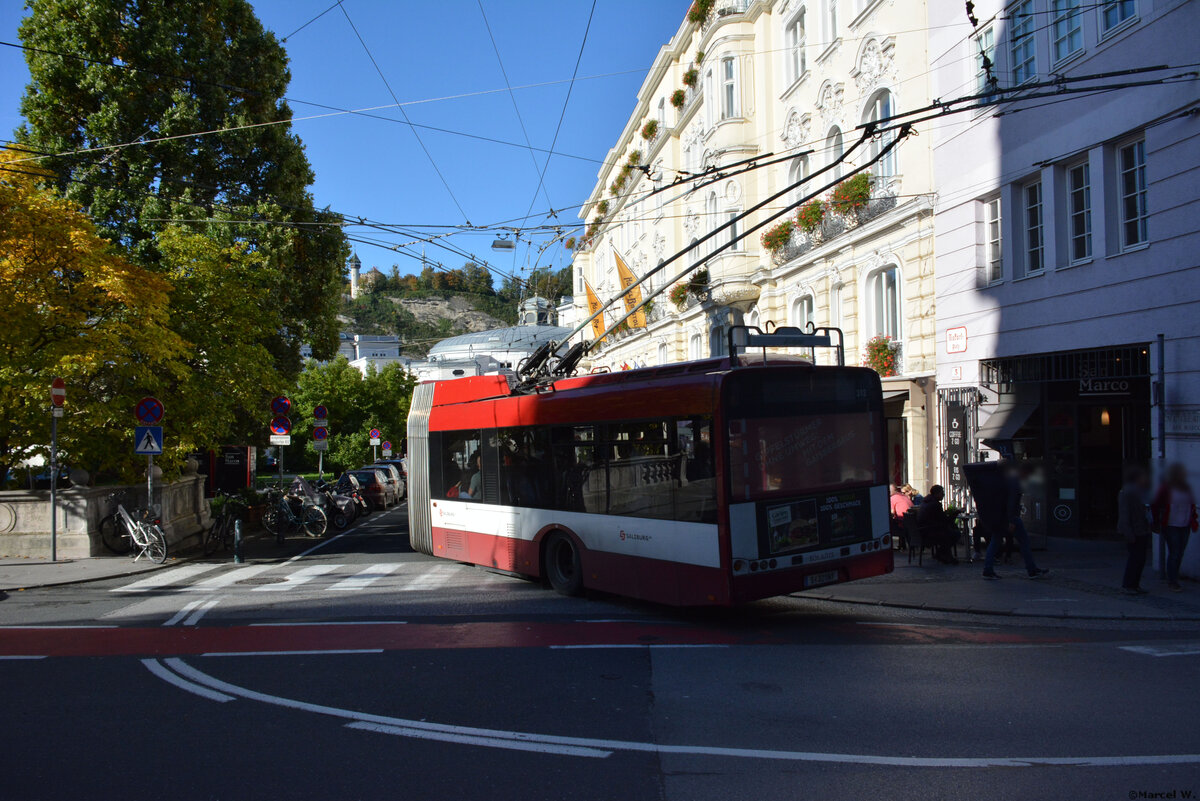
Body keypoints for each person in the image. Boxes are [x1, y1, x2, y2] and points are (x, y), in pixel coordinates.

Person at [982, 461, 1050, 580]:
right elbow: (1011, 502)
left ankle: (988, 569)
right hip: (1010, 517)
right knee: (1024, 542)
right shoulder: (1014, 482)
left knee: (995, 541)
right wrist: (1011, 520)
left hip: (999, 516)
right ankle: (1032, 570)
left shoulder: (1000, 480)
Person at [1151, 462, 1197, 592]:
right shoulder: (1166, 488)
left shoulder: (1187, 488)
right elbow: (1156, 504)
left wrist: (1193, 518)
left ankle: (1174, 576)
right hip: (1171, 524)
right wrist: (1156, 521)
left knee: (1180, 553)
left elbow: (1191, 504)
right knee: (1174, 553)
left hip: (1185, 524)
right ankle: (1172, 580)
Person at [1118, 464, 1153, 594]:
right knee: (1135, 559)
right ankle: (1128, 585)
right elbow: (1124, 513)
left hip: (1142, 529)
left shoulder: (1140, 490)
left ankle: (1135, 584)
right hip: (1135, 530)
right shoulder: (1128, 491)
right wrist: (1128, 532)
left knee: (1140, 559)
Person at [915, 485, 960, 564]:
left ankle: (942, 554)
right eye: (942, 493)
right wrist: (956, 513)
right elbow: (945, 520)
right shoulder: (935, 504)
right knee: (954, 534)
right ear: (936, 493)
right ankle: (942, 554)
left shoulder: (925, 502)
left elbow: (938, 518)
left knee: (949, 531)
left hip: (923, 530)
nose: (943, 495)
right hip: (930, 531)